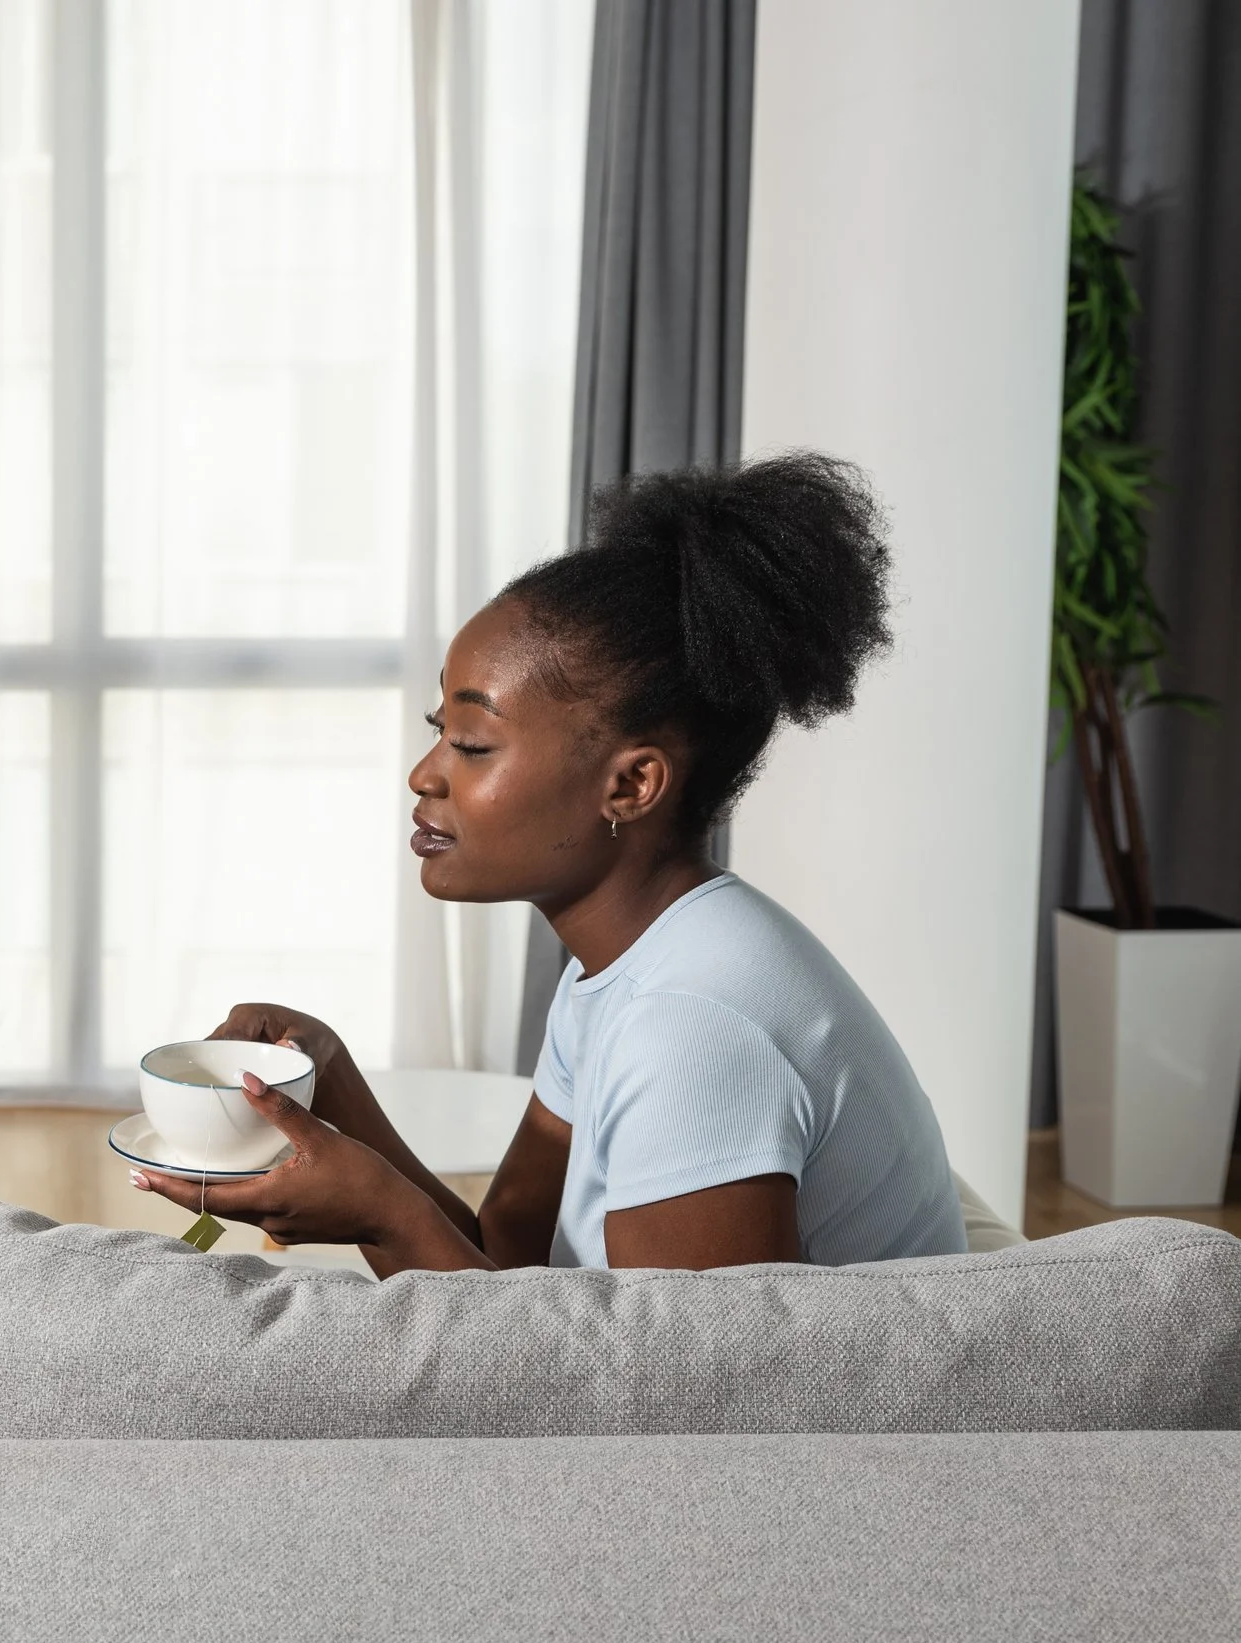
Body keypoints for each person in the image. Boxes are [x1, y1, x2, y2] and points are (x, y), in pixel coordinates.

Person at [132, 454, 967, 1274]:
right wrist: (339, 1093)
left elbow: (670, 1407)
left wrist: (379, 1212)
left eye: (471, 743)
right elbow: (510, 1262)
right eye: (438, 730)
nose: (425, 774)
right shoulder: (621, 967)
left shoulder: (691, 1027)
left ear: (632, 783)